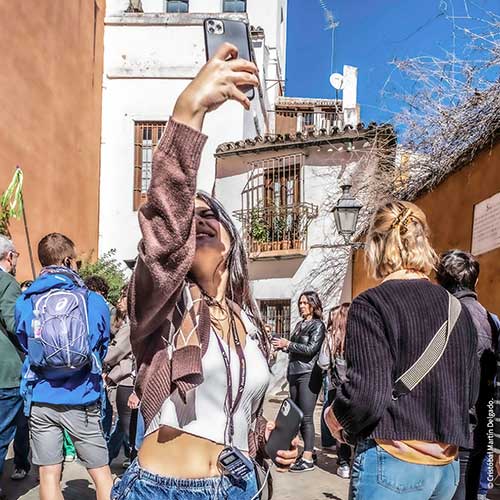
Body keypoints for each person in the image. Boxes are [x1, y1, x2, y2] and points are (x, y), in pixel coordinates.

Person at [111, 42, 298, 500]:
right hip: (163, 489)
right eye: (186, 217)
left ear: (231, 241)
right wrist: (188, 111)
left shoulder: (249, 321)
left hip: (240, 486)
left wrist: (269, 435)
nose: (194, 220)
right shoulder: (160, 304)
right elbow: (164, 236)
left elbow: (234, 407)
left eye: (208, 214)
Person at [325, 201, 479, 500]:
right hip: (445, 467)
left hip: (393, 460)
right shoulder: (457, 309)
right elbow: (469, 393)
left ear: (376, 245)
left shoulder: (372, 304)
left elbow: (366, 395)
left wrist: (335, 415)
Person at [15, 232, 113, 500]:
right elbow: (102, 343)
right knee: (102, 473)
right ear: (69, 260)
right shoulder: (92, 300)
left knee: (48, 474)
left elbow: (25, 342)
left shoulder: (26, 301)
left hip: (42, 396)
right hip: (82, 396)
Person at [436, 250, 499, 500]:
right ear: (475, 281)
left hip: (444, 431)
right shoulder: (492, 320)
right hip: (481, 425)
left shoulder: (440, 317)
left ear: (440, 280)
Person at [273, 291, 326, 472]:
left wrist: (288, 344)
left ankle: (308, 458)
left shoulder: (318, 325)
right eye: (300, 303)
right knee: (296, 417)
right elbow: (295, 349)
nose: (302, 306)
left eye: (305, 303)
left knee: (307, 417)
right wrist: (282, 346)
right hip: (294, 373)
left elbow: (311, 349)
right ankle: (307, 451)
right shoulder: (299, 324)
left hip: (309, 374)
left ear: (313, 304)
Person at [0, 236, 30, 499]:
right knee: (1, 436)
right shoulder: (7, 283)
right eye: (16, 255)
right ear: (9, 256)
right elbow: (14, 324)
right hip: (5, 373)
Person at [104, 283, 138, 467]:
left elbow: (113, 353)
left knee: (127, 429)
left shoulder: (130, 327)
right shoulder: (131, 323)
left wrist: (98, 352)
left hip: (127, 381)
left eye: (123, 296)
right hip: (127, 379)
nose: (119, 300)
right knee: (126, 428)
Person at [318, 303, 352, 479]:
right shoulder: (360, 335)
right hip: (356, 388)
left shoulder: (332, 337)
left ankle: (344, 463)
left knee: (340, 425)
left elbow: (323, 362)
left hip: (337, 389)